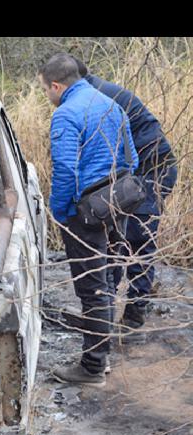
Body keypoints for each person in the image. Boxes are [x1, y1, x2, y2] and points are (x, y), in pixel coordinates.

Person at [39, 53, 138, 387]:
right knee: (107, 280)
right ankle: (102, 358)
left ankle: (93, 368)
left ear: (56, 85)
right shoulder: (111, 104)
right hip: (119, 202)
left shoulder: (66, 113)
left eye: (46, 90)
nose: (47, 97)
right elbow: (132, 157)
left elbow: (65, 169)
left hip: (87, 212)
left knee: (92, 288)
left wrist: (60, 211)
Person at [73, 56, 178, 333]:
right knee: (118, 239)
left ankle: (134, 313)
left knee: (137, 241)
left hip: (152, 172)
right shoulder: (93, 92)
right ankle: (108, 308)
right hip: (136, 173)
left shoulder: (97, 99)